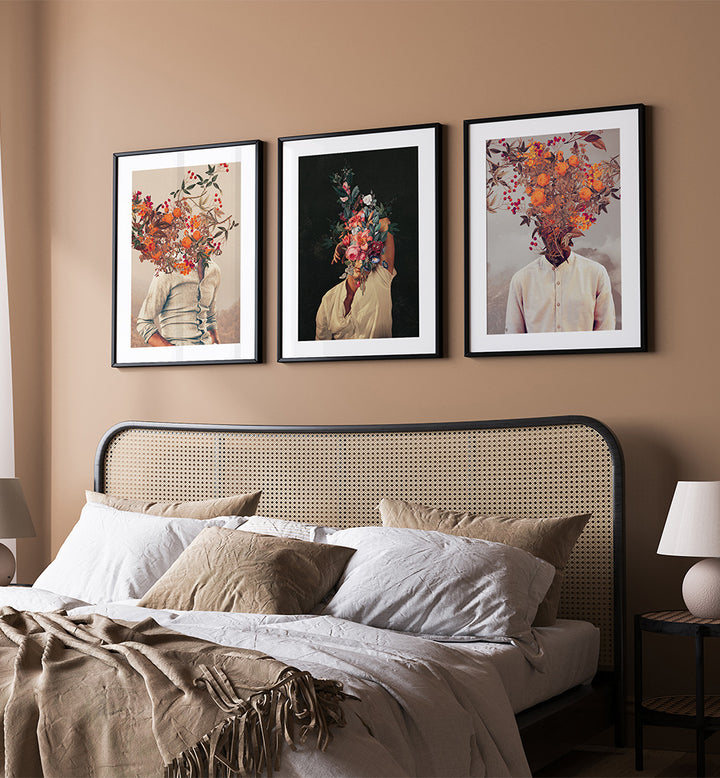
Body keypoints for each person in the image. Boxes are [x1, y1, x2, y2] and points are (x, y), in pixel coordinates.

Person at [505, 239, 615, 334]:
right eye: (547, 226)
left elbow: (605, 330)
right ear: (540, 230)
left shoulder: (596, 273)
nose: (554, 232)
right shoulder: (521, 279)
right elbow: (514, 336)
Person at [316, 220, 396, 340]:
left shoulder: (381, 278)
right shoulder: (329, 299)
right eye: (356, 255)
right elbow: (320, 345)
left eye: (367, 257)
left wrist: (353, 237)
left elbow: (385, 223)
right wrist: (348, 243)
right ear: (346, 258)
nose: (361, 263)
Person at [136, 259, 221, 346]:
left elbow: (210, 318)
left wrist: (217, 347)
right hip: (178, 350)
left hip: (206, 351)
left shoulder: (214, 270)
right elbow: (144, 323)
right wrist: (173, 351)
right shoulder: (168, 270)